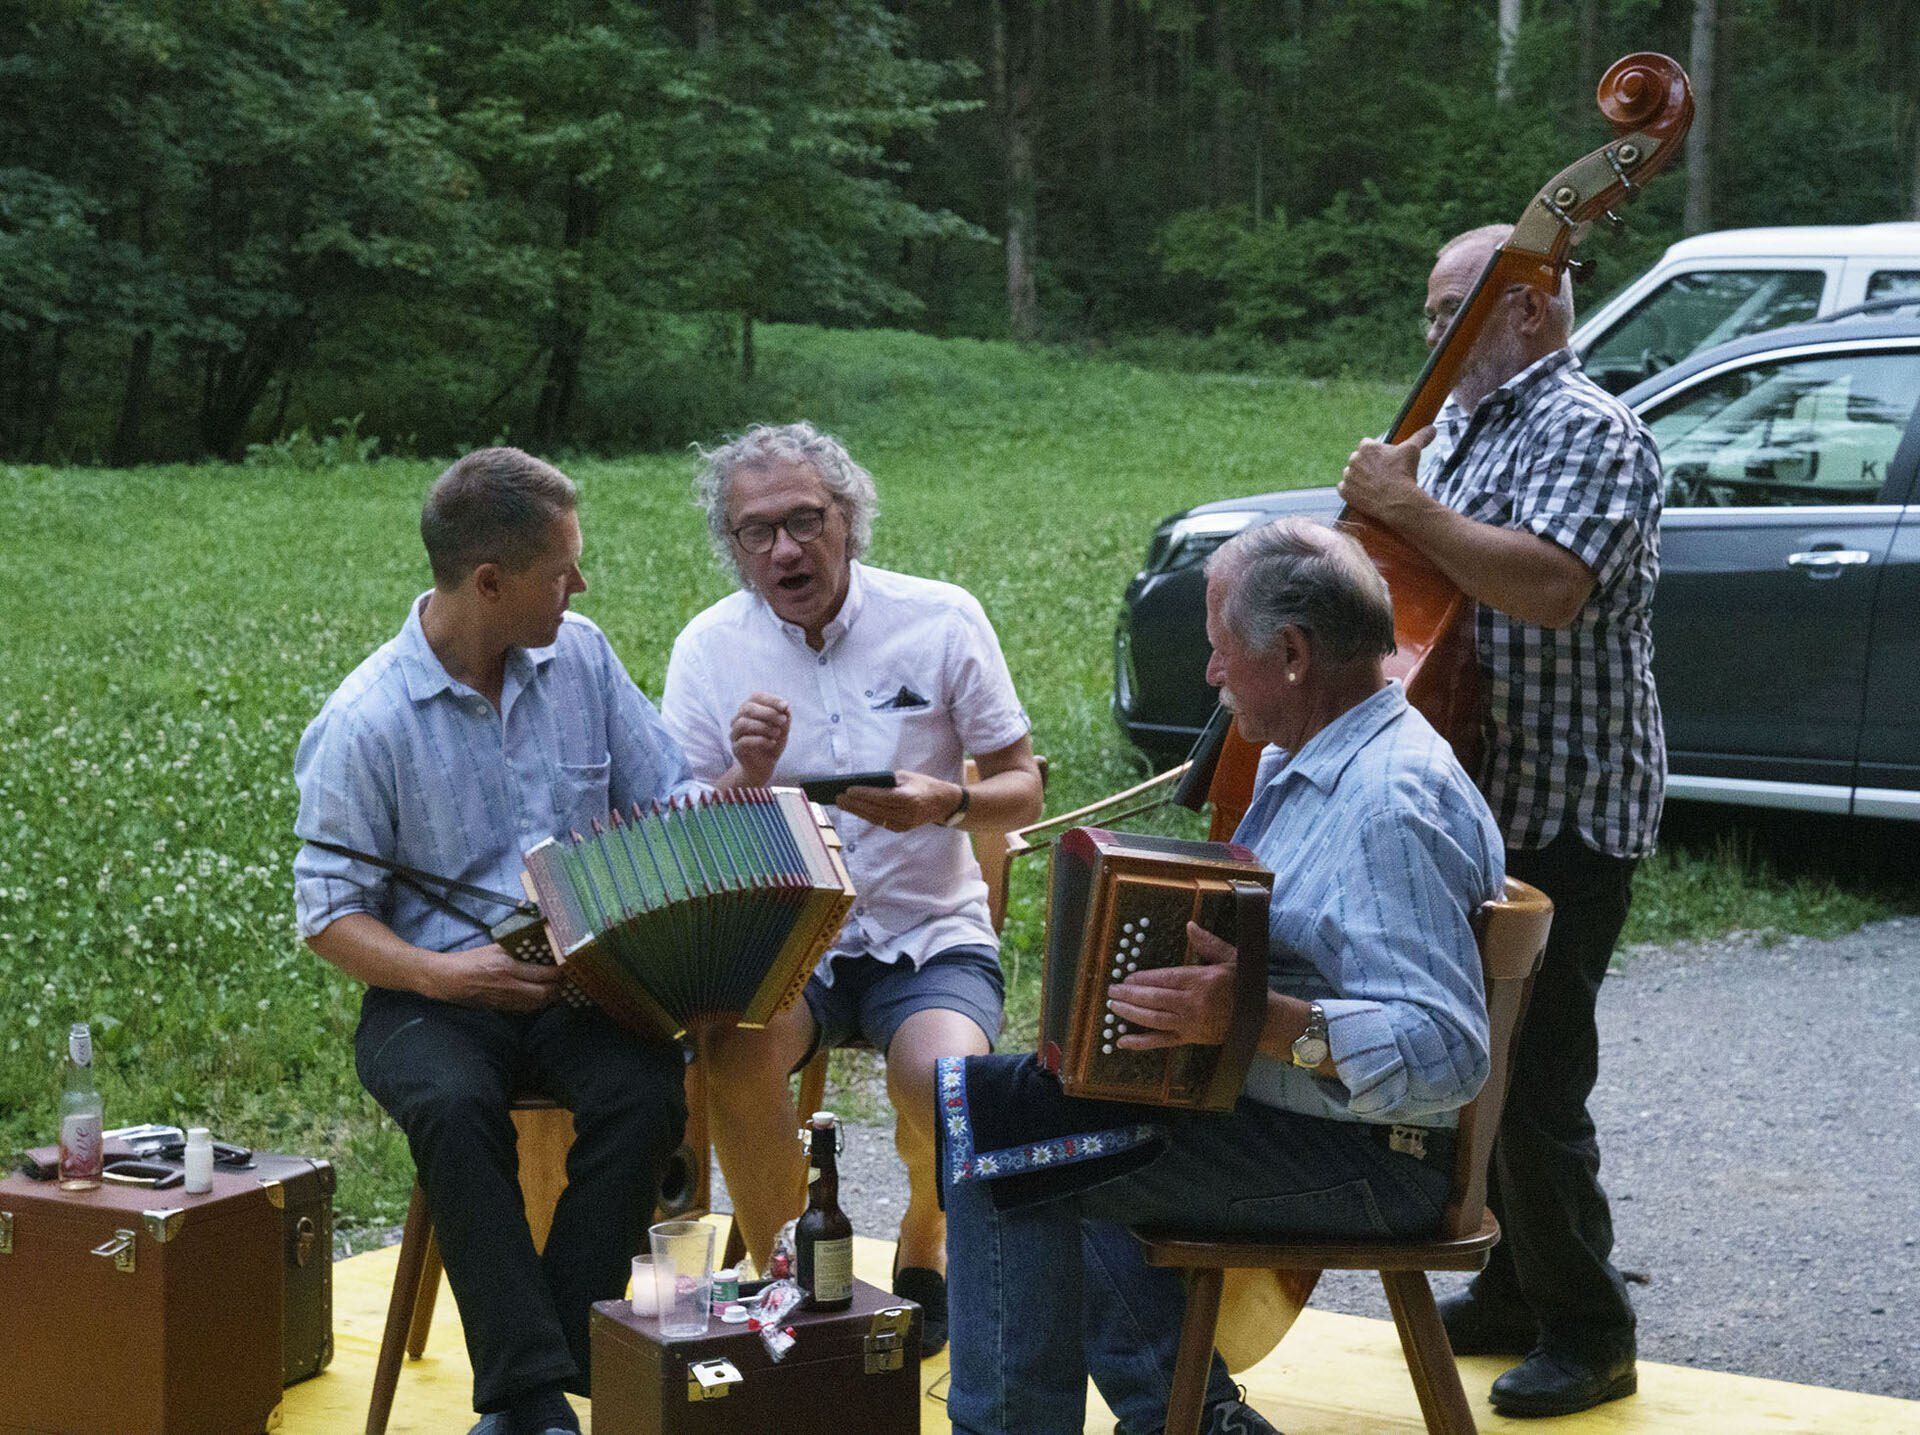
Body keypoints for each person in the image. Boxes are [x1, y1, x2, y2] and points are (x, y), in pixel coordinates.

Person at [941, 517, 1505, 1435]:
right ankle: (1192, 1416)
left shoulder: (1389, 802)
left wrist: (1252, 1018)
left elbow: (1448, 1053)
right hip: (1308, 1123)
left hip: (1376, 1163)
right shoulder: (1321, 756)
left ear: (1290, 654)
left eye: (1219, 650)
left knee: (995, 1130)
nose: (1210, 675)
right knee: (1030, 1100)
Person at [293, 448, 696, 1435]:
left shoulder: (585, 657)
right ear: (491, 582)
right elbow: (328, 918)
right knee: (451, 1104)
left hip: (572, 979)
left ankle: (543, 1367)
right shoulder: (365, 719)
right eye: (564, 570)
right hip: (427, 989)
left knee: (646, 1089)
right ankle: (532, 1400)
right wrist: (446, 973)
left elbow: (670, 790)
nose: (580, 587)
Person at [1338, 222, 1666, 1417]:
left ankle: (1593, 1329)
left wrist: (1404, 508)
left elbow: (1548, 582)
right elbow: (1432, 588)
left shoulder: (1590, 427)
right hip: (1481, 788)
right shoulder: (1477, 422)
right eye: (1427, 312)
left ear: (1528, 309)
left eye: (1451, 312)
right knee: (1483, 1064)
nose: (1432, 336)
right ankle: (1519, 1289)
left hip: (1569, 804)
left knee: (1535, 1083)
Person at [661, 421, 1043, 1354]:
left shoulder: (942, 616)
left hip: (932, 928)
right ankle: (791, 1282)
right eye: (758, 531)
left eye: (806, 519)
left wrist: (946, 801)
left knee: (945, 1081)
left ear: (849, 519)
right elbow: (676, 830)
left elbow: (1022, 784)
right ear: (736, 547)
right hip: (790, 936)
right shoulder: (708, 649)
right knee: (732, 1048)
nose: (786, 547)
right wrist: (740, 784)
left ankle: (926, 1233)